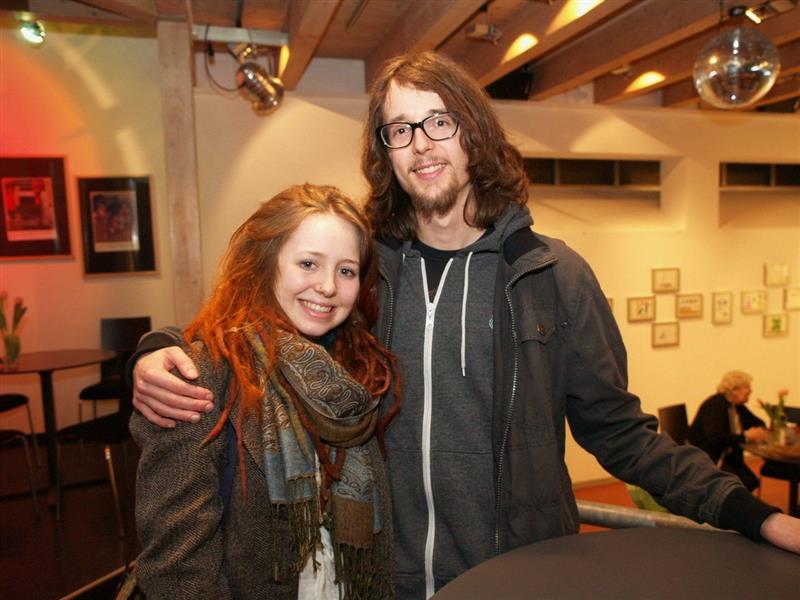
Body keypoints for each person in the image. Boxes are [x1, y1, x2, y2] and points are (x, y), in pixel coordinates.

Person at [130, 52, 800, 598]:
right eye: (399, 129)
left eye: (438, 121)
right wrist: (158, 351)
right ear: (386, 152)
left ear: (474, 132)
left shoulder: (553, 277)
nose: (421, 144)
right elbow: (258, 321)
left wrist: (756, 515)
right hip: (381, 580)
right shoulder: (364, 273)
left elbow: (623, 435)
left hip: (519, 577)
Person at [130, 184, 400, 599]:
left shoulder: (360, 372)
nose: (328, 286)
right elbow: (177, 567)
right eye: (308, 263)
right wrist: (148, 352)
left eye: (346, 271)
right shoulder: (201, 376)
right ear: (264, 263)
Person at [688, 371, 771, 492]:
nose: (750, 391)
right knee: (744, 484)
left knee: (751, 481)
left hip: (727, 454)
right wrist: (746, 436)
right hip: (709, 456)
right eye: (747, 387)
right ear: (734, 390)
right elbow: (715, 438)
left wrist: (758, 430)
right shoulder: (716, 405)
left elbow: (757, 422)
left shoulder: (736, 405)